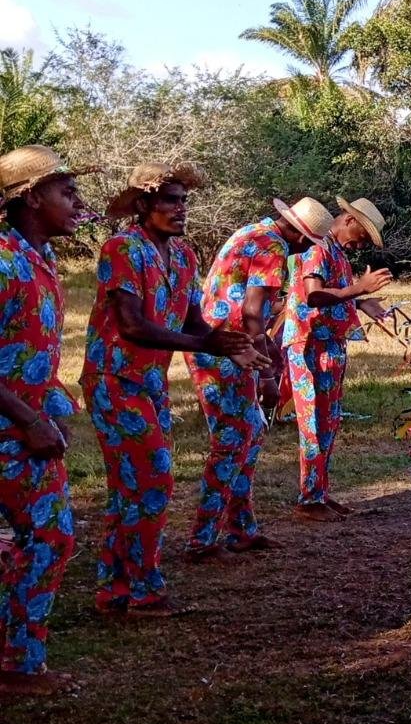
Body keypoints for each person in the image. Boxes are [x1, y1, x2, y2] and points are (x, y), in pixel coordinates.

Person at [81, 163, 266, 617]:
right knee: (154, 478)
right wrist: (205, 343)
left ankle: (115, 587)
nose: (180, 209)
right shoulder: (122, 249)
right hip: (113, 378)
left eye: (184, 200)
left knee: (133, 484)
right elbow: (132, 325)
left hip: (150, 381)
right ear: (143, 205)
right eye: (170, 200)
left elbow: (192, 320)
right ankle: (141, 588)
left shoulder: (183, 256)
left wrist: (230, 347)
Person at [185, 197, 331, 561]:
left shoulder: (253, 231)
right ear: (299, 235)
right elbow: (252, 312)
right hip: (227, 348)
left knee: (251, 429)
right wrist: (266, 371)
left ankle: (241, 528)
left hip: (224, 341)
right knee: (232, 439)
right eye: (308, 244)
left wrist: (265, 346)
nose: (305, 251)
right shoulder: (272, 247)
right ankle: (202, 540)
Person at [0, 146, 92, 697]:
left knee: (40, 538)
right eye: (67, 192)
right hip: (12, 428)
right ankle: (15, 667)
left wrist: (55, 407)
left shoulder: (39, 259)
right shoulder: (4, 263)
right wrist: (30, 419)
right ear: (33, 198)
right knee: (50, 537)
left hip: (28, 426)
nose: (79, 204)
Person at [283, 197, 392, 521]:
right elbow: (314, 294)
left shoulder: (337, 253)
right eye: (363, 235)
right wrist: (358, 290)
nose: (362, 244)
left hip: (329, 344)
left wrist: (361, 302)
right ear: (348, 220)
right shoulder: (318, 247)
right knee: (314, 422)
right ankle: (308, 500)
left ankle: (319, 492)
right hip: (309, 343)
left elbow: (335, 293)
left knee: (329, 420)